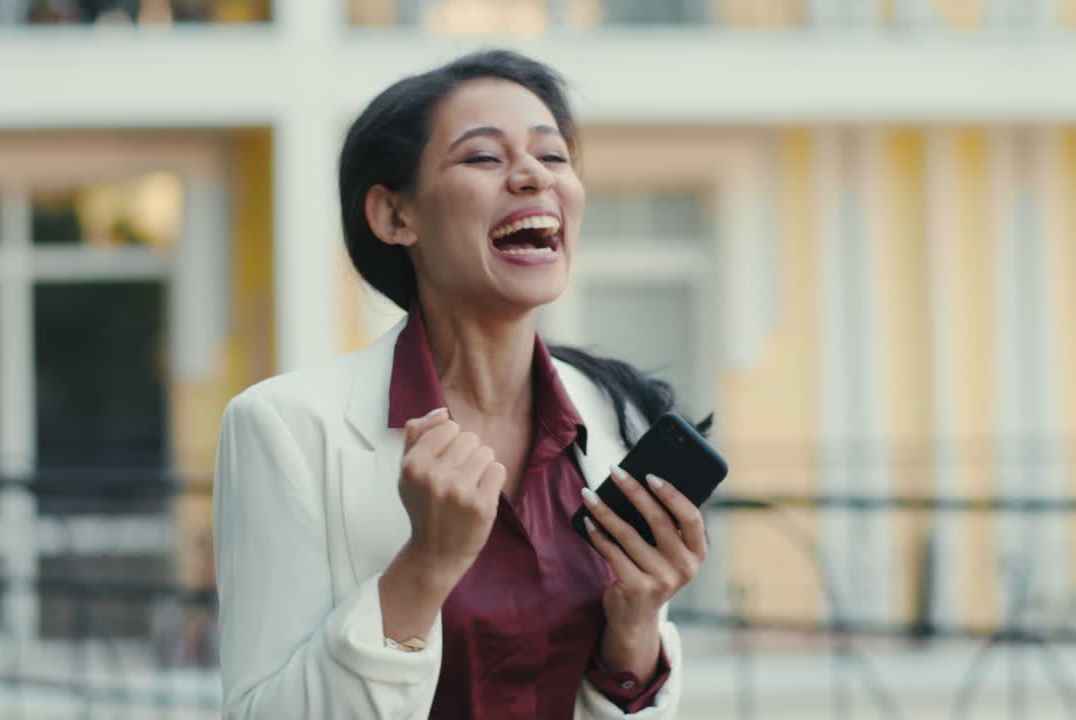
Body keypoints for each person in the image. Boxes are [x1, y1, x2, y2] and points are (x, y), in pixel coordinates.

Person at [213, 49, 712, 720]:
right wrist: (424, 565)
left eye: (554, 157)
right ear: (395, 217)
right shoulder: (283, 427)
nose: (533, 175)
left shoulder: (611, 417)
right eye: (483, 158)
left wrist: (636, 631)